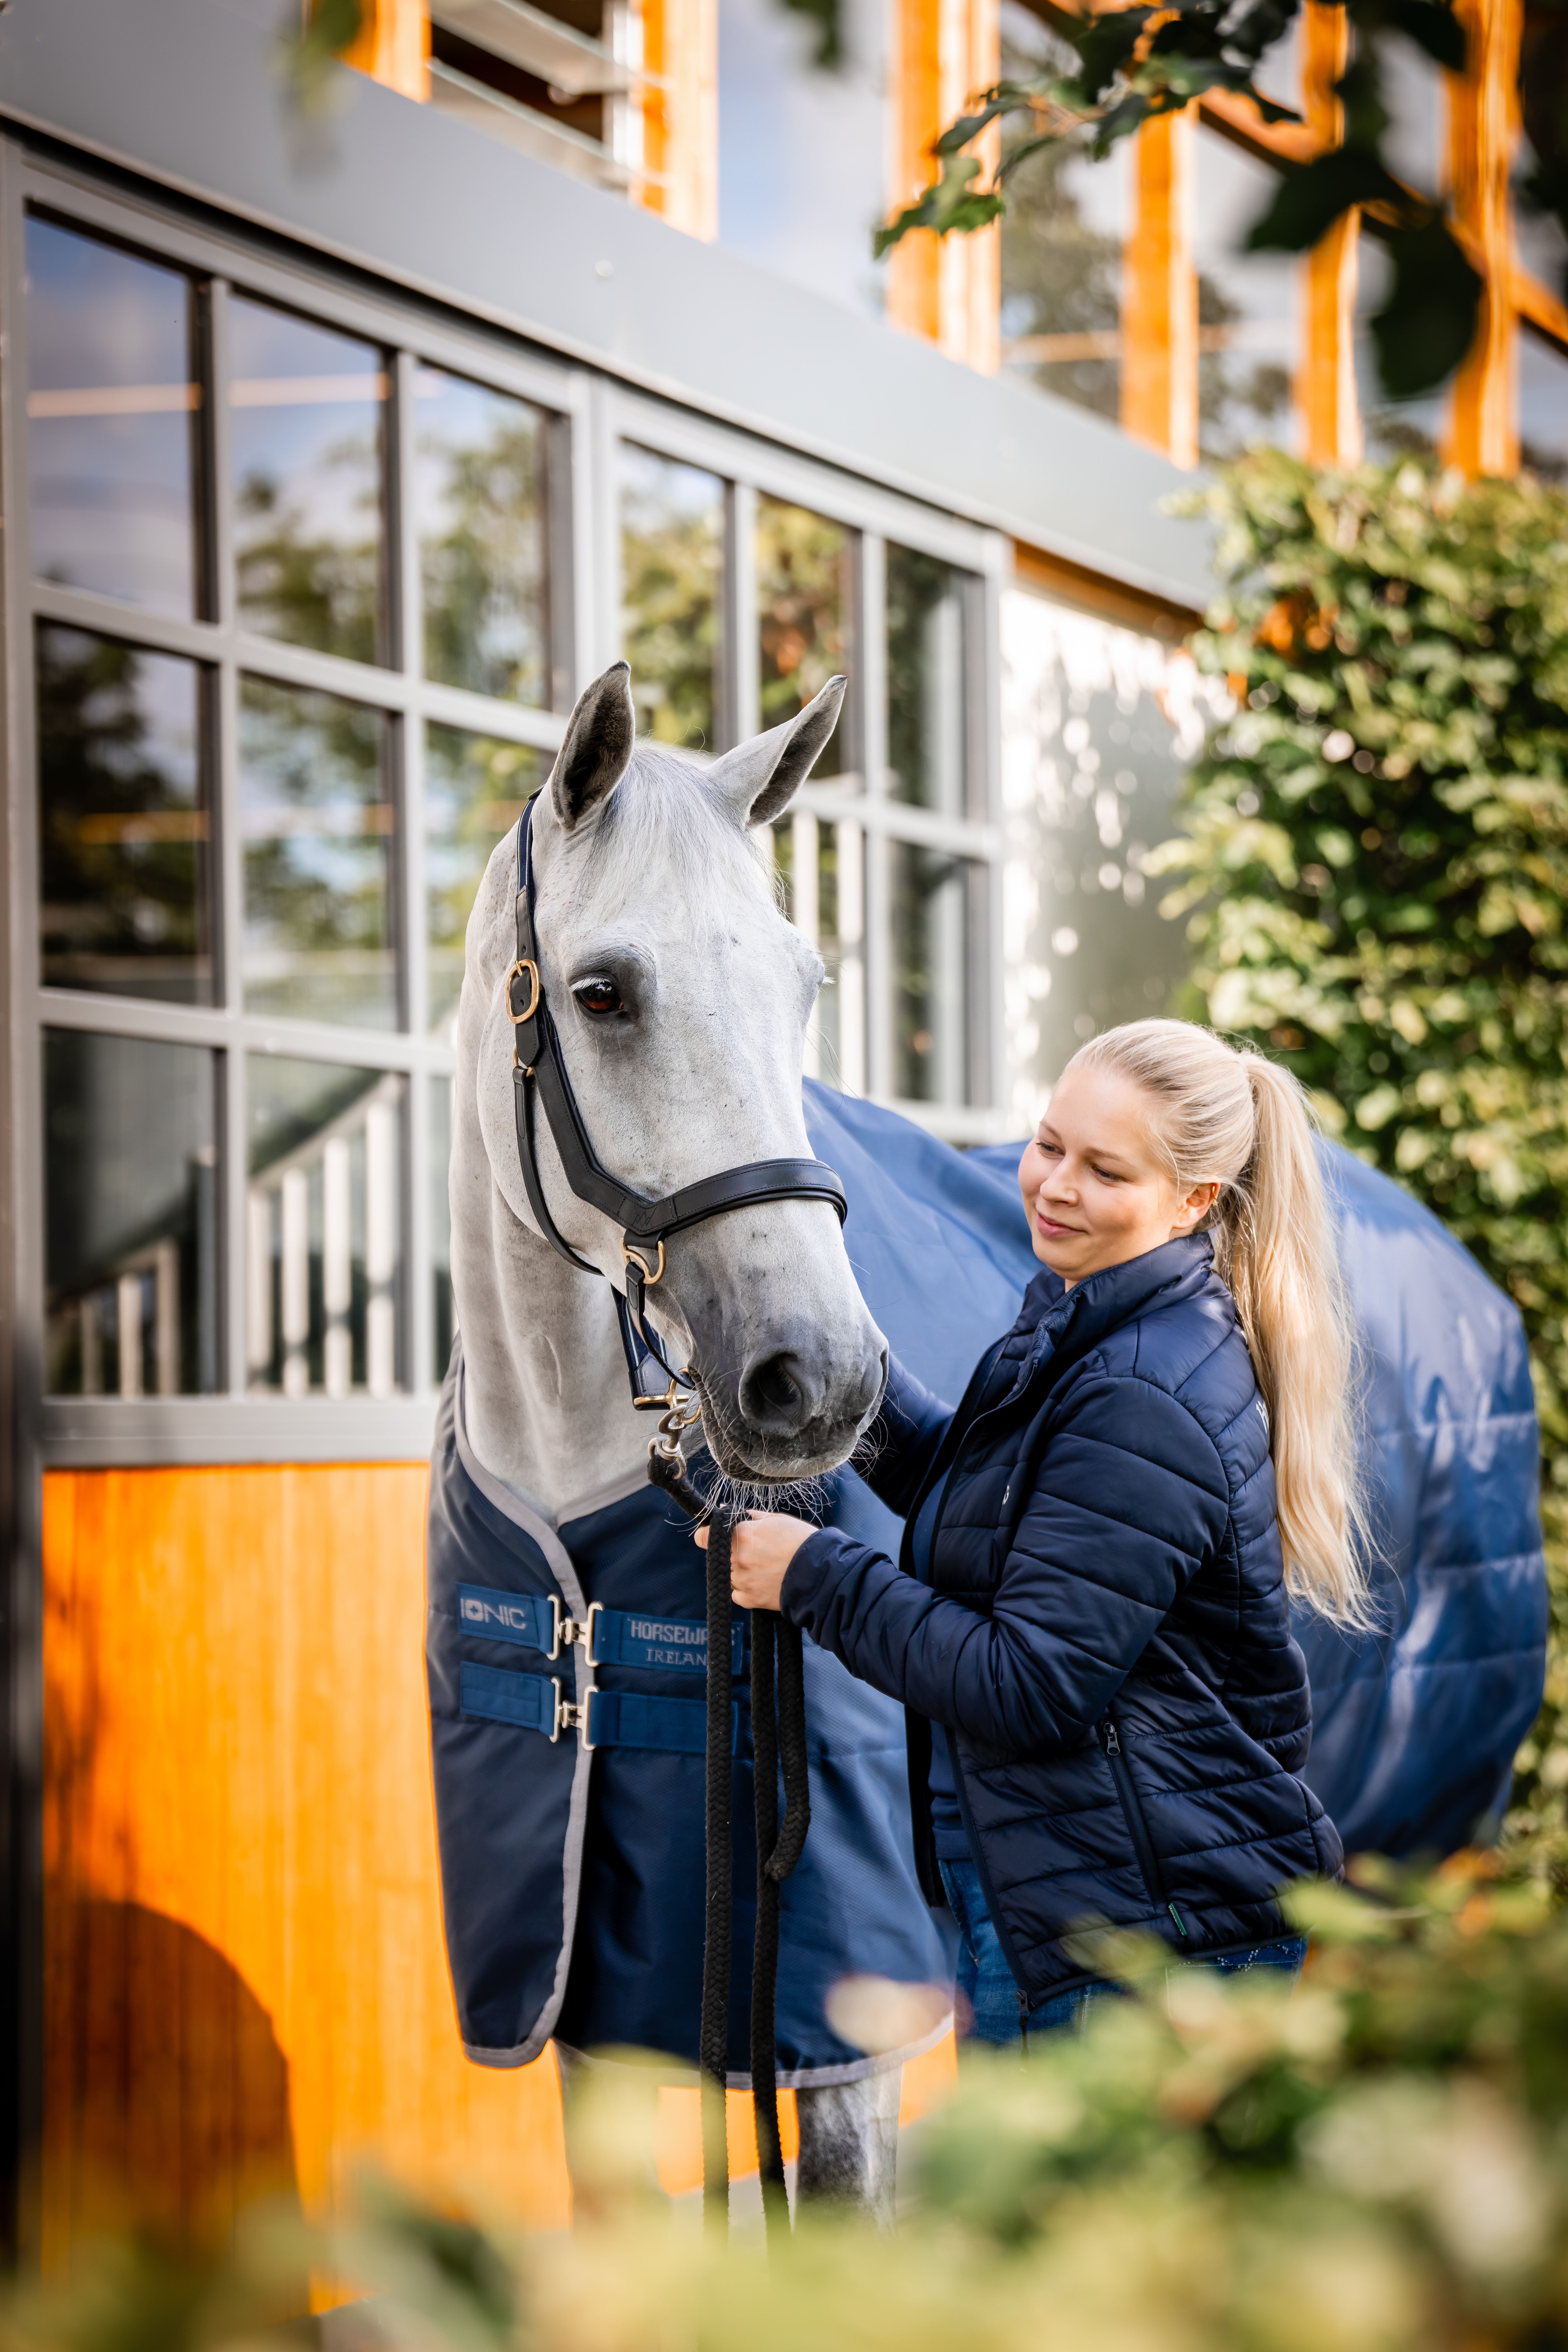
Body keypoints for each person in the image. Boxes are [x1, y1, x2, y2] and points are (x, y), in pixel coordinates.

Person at [700, 1018, 1367, 2044]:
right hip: (1082, 1895)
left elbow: (1029, 1684)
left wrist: (815, 1578)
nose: (1057, 1186)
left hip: (1138, 1938)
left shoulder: (1143, 1389)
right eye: (1050, 1144)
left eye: (1106, 1171)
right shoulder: (1091, 1321)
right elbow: (986, 1504)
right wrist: (840, 1373)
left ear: (1193, 1201)